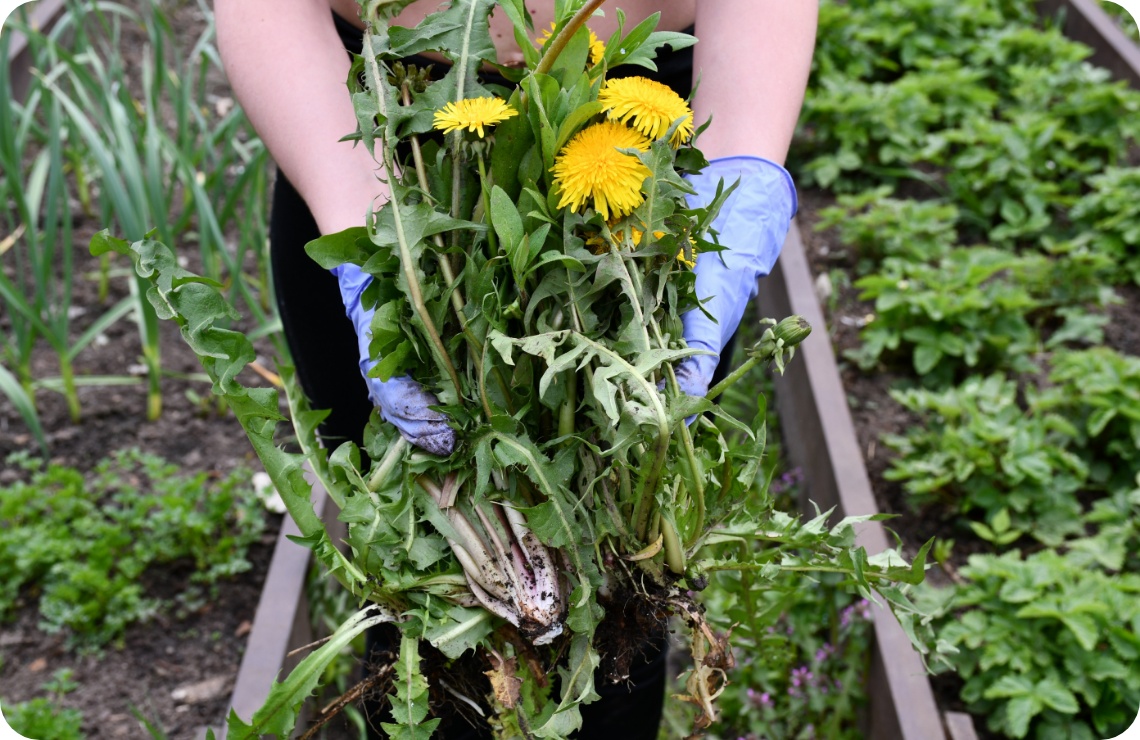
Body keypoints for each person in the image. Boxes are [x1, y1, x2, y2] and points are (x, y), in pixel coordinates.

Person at [216, 1, 817, 737]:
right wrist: (372, 239)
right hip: (369, 129)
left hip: (638, 154)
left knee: (622, 594)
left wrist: (742, 175)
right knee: (422, 599)